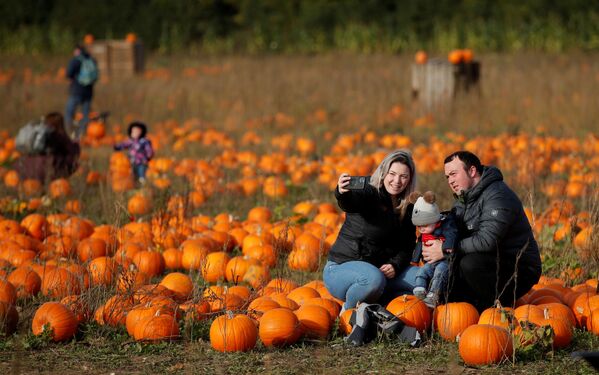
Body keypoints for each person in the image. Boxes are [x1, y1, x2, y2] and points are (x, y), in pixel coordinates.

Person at [422, 150, 542, 312]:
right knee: (443, 279)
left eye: (453, 174)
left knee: (469, 264)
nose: (450, 181)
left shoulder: (497, 195)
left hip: (518, 269)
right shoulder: (463, 200)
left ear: (472, 171)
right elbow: (455, 235)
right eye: (447, 177)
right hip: (489, 261)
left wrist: (445, 249)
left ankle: (494, 308)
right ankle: (470, 304)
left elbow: (487, 241)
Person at [323, 149, 420, 312]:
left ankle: (379, 308)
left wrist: (395, 265)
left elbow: (407, 246)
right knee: (372, 279)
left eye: (403, 176)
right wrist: (341, 193)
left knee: (422, 279)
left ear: (410, 179)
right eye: (392, 174)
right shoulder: (369, 191)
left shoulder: (407, 207)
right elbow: (351, 202)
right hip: (343, 269)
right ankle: (348, 313)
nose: (397, 181)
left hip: (381, 273)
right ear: (383, 173)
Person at [410, 191, 457, 308]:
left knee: (439, 273)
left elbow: (452, 235)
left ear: (434, 221)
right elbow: (419, 245)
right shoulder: (423, 233)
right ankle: (419, 290)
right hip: (430, 263)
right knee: (421, 272)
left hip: (444, 261)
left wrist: (447, 247)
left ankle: (434, 295)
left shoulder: (444, 226)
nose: (422, 229)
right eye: (419, 226)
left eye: (425, 225)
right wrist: (414, 260)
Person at [15, 112, 80, 182]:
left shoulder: (38, 135)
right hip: (45, 173)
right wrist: (75, 143)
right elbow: (74, 154)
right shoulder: (58, 135)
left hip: (25, 172)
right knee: (75, 164)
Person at [65, 44, 98, 140]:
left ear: (78, 51)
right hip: (88, 91)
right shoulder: (91, 60)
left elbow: (69, 74)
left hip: (76, 90)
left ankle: (69, 130)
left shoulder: (76, 61)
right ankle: (83, 133)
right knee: (86, 113)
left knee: (69, 111)